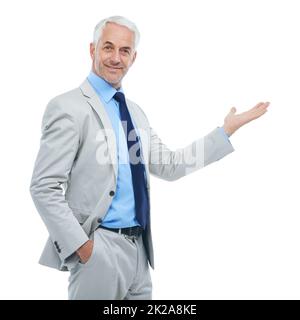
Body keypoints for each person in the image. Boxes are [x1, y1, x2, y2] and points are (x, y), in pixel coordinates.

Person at [29, 15, 270, 300]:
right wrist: (83, 247)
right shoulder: (68, 107)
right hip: (99, 251)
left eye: (124, 51)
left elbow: (169, 166)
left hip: (140, 253)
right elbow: (44, 186)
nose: (116, 58)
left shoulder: (135, 113)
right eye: (108, 48)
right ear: (92, 50)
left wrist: (224, 132)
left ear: (134, 57)